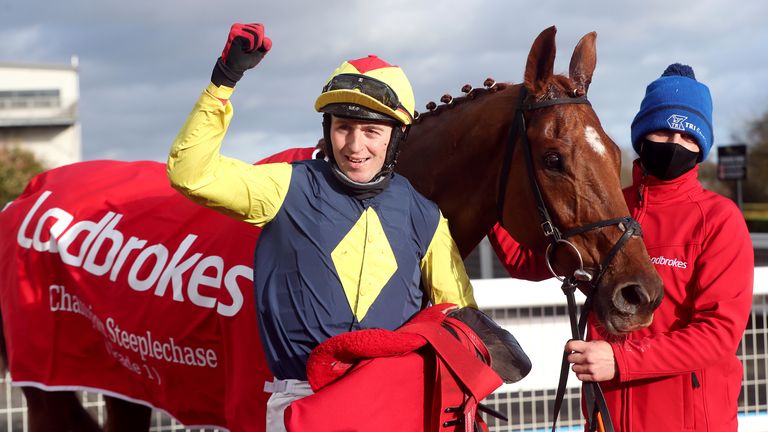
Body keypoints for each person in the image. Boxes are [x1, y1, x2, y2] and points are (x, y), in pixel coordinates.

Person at [166, 23, 476, 430]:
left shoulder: (425, 215)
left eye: (371, 131)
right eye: (343, 127)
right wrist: (223, 82)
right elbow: (192, 174)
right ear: (327, 132)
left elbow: (458, 316)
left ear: (396, 137)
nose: (355, 145)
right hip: (304, 400)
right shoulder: (286, 185)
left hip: (391, 402)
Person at [490, 64, 754, 431]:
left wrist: (620, 360)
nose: (675, 144)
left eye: (689, 136)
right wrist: (491, 189)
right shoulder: (608, 207)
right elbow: (527, 262)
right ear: (643, 133)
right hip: (606, 420)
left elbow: (719, 334)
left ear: (702, 146)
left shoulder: (718, 219)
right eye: (664, 130)